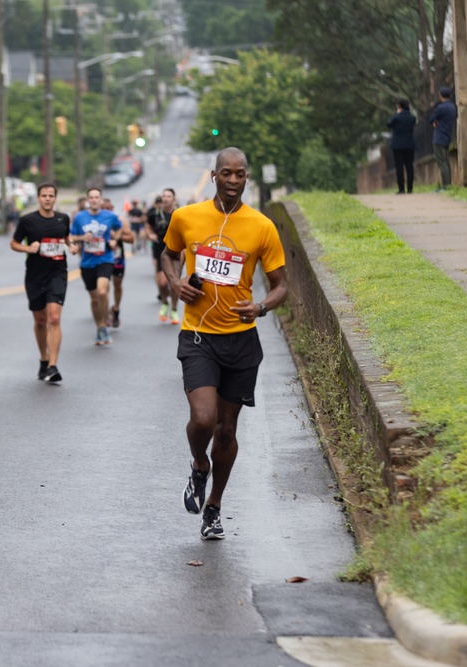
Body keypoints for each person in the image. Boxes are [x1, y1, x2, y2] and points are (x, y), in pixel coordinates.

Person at [161, 147, 288, 540]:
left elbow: (282, 285)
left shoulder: (262, 226)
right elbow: (168, 255)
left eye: (240, 174)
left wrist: (262, 307)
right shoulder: (186, 217)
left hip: (241, 342)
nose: (233, 180)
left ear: (246, 178)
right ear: (214, 175)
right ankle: (200, 465)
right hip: (198, 335)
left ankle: (213, 506)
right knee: (203, 419)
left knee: (227, 431)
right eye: (226, 173)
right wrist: (175, 281)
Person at [10, 182, 71, 382]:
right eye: (44, 195)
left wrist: (72, 246)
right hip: (35, 275)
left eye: (51, 195)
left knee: (54, 318)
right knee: (40, 320)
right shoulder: (27, 221)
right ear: (38, 198)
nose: (47, 198)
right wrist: (27, 249)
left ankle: (53, 366)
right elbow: (14, 243)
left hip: (58, 273)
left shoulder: (63, 219)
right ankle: (43, 359)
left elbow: (66, 238)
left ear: (55, 198)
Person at [68, 187, 129, 345]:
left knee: (102, 291)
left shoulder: (109, 216)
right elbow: (71, 236)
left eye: (97, 197)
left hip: (105, 259)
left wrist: (116, 239)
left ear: (101, 200)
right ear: (88, 200)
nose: (94, 200)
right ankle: (100, 326)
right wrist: (82, 237)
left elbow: (120, 226)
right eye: (91, 197)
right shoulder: (80, 217)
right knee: (94, 298)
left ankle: (104, 324)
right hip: (87, 262)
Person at [147, 189, 180, 325]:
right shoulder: (154, 214)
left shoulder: (180, 214)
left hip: (177, 250)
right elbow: (148, 226)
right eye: (164, 196)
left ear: (174, 198)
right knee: (162, 282)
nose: (166, 198)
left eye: (168, 196)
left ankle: (173, 309)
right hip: (160, 249)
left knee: (174, 284)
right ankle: (165, 302)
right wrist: (150, 234)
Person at [429, 87, 457, 191]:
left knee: (442, 163)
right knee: (446, 161)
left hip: (439, 137)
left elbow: (431, 119)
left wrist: (435, 122)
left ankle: (445, 186)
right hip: (447, 136)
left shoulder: (441, 107)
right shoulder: (452, 107)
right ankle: (448, 184)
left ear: (440, 95)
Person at [104, 197, 125, 329]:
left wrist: (117, 236)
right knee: (103, 287)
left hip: (118, 258)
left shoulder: (119, 221)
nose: (106, 211)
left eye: (108, 209)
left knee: (117, 285)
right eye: (103, 209)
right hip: (101, 259)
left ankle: (116, 309)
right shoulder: (95, 221)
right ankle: (105, 315)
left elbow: (131, 238)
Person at [387, 99, 416, 194]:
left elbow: (389, 124)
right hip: (409, 144)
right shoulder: (412, 118)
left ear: (399, 106)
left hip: (397, 145)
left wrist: (396, 114)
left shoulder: (396, 118)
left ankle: (401, 189)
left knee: (399, 168)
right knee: (409, 167)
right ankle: (410, 188)